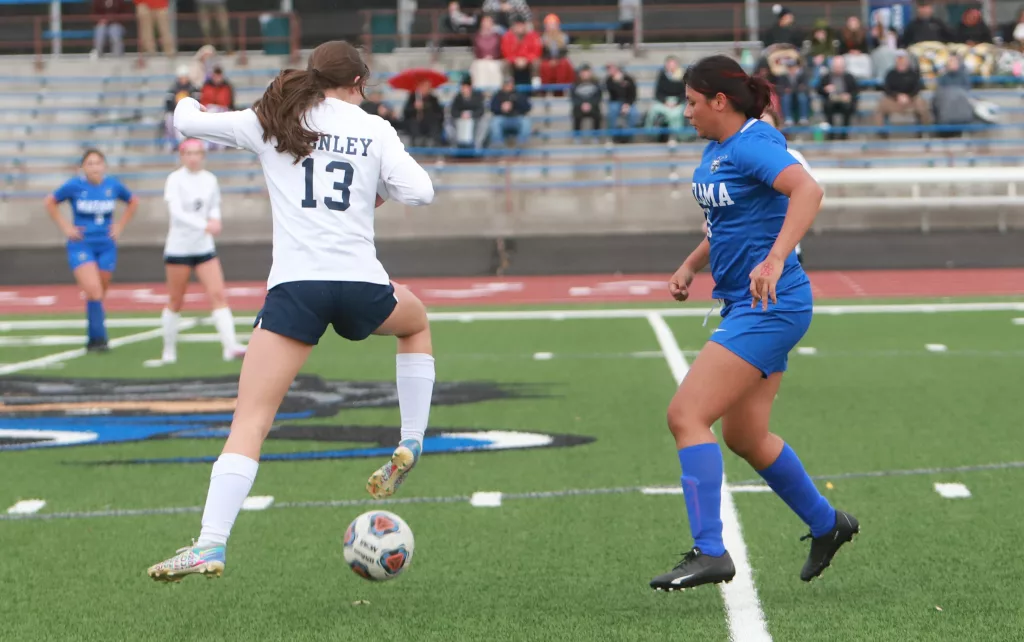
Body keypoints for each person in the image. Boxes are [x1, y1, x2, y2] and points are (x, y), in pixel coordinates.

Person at [146, 41, 436, 582]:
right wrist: (375, 189)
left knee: (251, 421)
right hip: (359, 283)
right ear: (358, 82)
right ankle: (410, 437)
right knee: (415, 325)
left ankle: (211, 544)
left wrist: (188, 92)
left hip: (297, 287)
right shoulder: (373, 128)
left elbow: (188, 121)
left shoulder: (271, 118)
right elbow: (420, 191)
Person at [649, 55, 858, 592]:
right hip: (749, 303)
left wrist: (774, 259)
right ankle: (827, 524)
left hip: (772, 303)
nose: (686, 111)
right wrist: (692, 264)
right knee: (746, 435)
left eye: (692, 102)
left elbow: (808, 191)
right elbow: (728, 222)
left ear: (720, 101)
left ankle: (711, 551)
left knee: (685, 415)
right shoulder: (719, 151)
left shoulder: (752, 142)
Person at [148, 138, 246, 367]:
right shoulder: (174, 180)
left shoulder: (210, 179)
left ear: (203, 155)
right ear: (182, 156)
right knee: (176, 299)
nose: (193, 157)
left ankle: (230, 345)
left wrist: (215, 221)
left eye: (197, 153)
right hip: (179, 248)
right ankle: (169, 351)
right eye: (188, 153)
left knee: (218, 294)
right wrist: (204, 225)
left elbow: (214, 206)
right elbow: (177, 213)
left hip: (203, 247)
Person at [43, 149, 138, 352]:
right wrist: (66, 227)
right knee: (93, 290)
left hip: (106, 245)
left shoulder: (112, 185)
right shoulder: (74, 186)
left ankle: (92, 337)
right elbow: (50, 201)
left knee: (98, 293)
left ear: (104, 166)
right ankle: (100, 340)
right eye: (90, 164)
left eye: (97, 163)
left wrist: (119, 226)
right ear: (83, 167)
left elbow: (133, 201)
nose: (94, 167)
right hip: (82, 244)